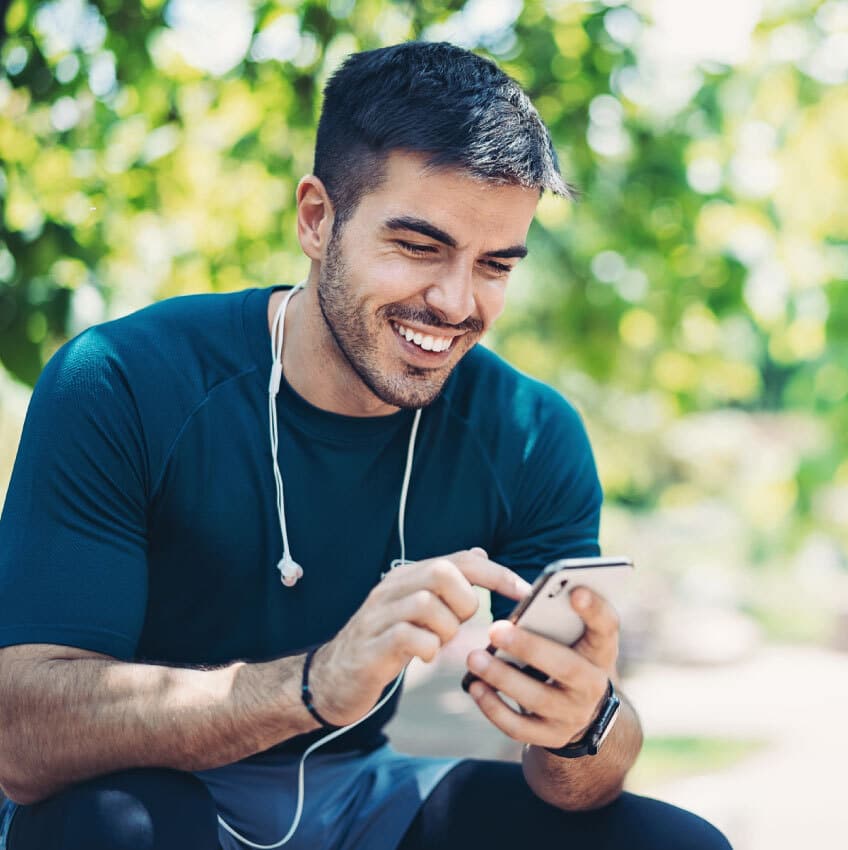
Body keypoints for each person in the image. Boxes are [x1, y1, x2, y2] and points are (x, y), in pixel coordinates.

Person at [0, 42, 731, 850]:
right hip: (141, 798)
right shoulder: (122, 381)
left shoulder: (530, 432)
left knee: (676, 843)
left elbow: (587, 771)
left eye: (495, 264)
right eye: (418, 248)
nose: (456, 303)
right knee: (118, 828)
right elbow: (19, 740)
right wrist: (316, 684)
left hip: (361, 802)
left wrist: (583, 723)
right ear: (318, 219)